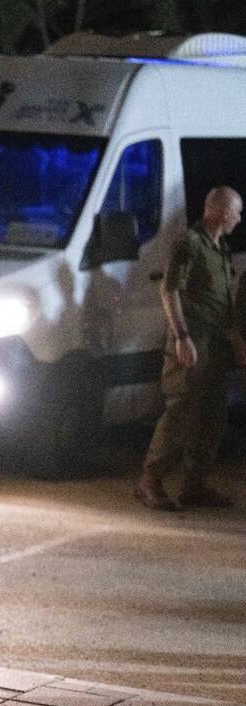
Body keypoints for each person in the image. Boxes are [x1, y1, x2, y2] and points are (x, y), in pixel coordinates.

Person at [135, 186, 243, 510]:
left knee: (211, 414)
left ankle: (194, 484)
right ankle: (150, 481)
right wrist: (182, 336)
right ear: (222, 212)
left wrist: (236, 341)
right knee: (181, 411)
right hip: (192, 340)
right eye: (237, 212)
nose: (239, 219)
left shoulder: (220, 249)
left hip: (215, 344)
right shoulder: (190, 243)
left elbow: (222, 304)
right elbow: (170, 291)